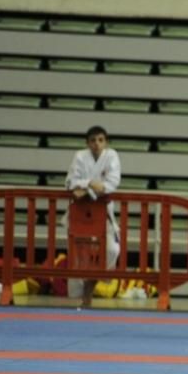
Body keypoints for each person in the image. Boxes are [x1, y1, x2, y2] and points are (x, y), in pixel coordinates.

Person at [65, 125, 121, 306]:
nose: (97, 144)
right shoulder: (80, 156)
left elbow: (112, 183)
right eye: (93, 140)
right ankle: (83, 296)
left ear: (106, 142)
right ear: (87, 143)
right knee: (80, 255)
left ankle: (90, 285)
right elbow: (70, 182)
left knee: (112, 250)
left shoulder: (111, 155)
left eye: (100, 140)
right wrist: (91, 183)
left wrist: (87, 190)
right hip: (79, 212)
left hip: (103, 212)